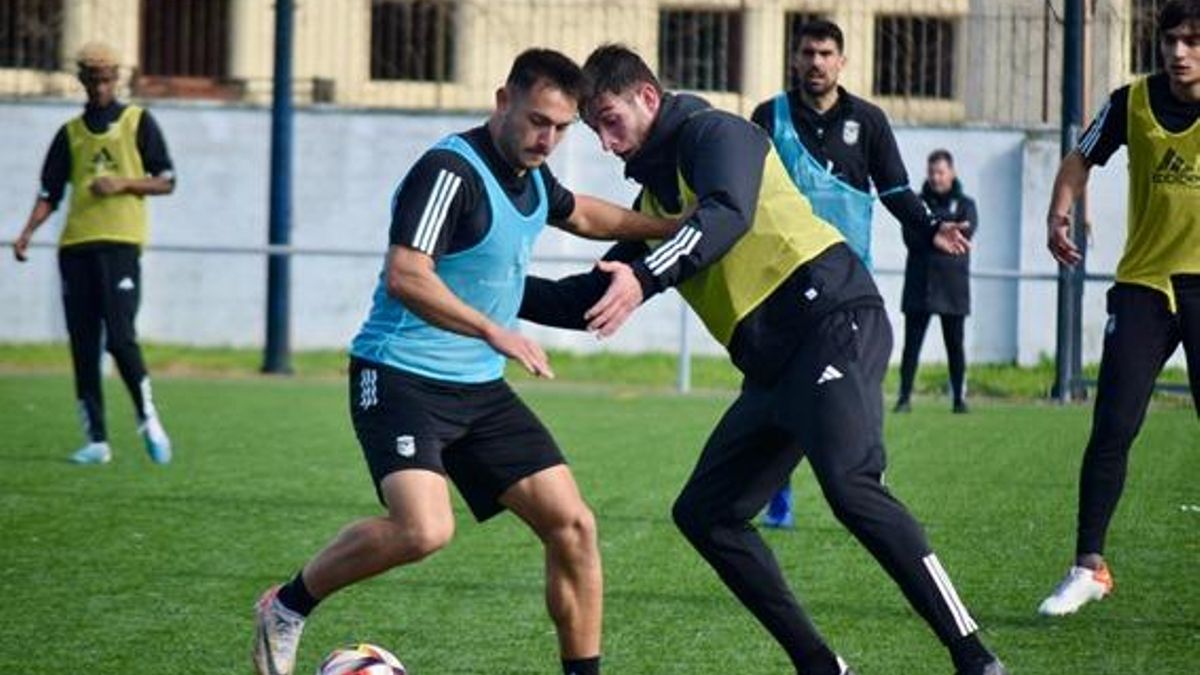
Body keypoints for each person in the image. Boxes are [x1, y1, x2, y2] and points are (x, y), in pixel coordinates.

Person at [520, 44, 1004, 675]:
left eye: (609, 120)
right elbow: (591, 291)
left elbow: (727, 214)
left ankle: (975, 656)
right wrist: (491, 292)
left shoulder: (717, 132)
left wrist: (645, 280)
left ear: (646, 97)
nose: (606, 145)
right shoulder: (655, 204)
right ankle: (820, 666)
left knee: (851, 485)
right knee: (706, 514)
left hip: (833, 319)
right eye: (594, 131)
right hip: (774, 369)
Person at [251, 49, 680, 675]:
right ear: (503, 101)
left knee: (574, 527)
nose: (548, 139)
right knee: (424, 530)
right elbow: (405, 275)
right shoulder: (450, 171)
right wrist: (493, 330)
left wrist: (670, 227)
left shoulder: (533, 176)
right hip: (398, 375)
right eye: (537, 120)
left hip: (477, 387)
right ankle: (286, 606)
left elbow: (584, 213)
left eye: (562, 128)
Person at [749, 19, 961, 525]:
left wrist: (930, 228)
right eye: (807, 52)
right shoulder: (768, 117)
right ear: (794, 58)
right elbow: (745, 190)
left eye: (825, 53)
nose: (816, 62)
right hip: (783, 278)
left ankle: (871, 479)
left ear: (842, 61)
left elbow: (893, 190)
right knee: (769, 385)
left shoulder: (867, 120)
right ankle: (775, 488)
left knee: (858, 387)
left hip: (847, 281)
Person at [1037, 0, 1200, 617]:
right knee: (1112, 426)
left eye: (1193, 41)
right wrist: (1059, 213)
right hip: (1145, 285)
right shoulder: (1131, 100)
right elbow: (1079, 158)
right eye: (1170, 40)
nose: (1179, 53)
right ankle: (1088, 566)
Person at [11, 42, 175, 465]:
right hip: (75, 248)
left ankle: (147, 417)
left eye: (107, 79)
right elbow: (50, 191)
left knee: (120, 339)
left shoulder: (138, 122)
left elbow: (166, 180)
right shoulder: (69, 134)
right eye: (93, 79)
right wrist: (28, 231)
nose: (101, 87)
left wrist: (121, 184)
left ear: (116, 79)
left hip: (120, 246)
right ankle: (97, 440)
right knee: (83, 345)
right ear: (82, 80)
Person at [896, 149, 978, 414]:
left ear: (951, 173)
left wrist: (930, 230)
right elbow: (911, 236)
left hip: (953, 289)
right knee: (911, 346)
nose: (936, 177)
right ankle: (904, 397)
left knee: (955, 346)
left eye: (940, 172)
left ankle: (959, 398)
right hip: (920, 286)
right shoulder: (917, 204)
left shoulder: (965, 204)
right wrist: (936, 233)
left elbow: (964, 234)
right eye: (932, 172)